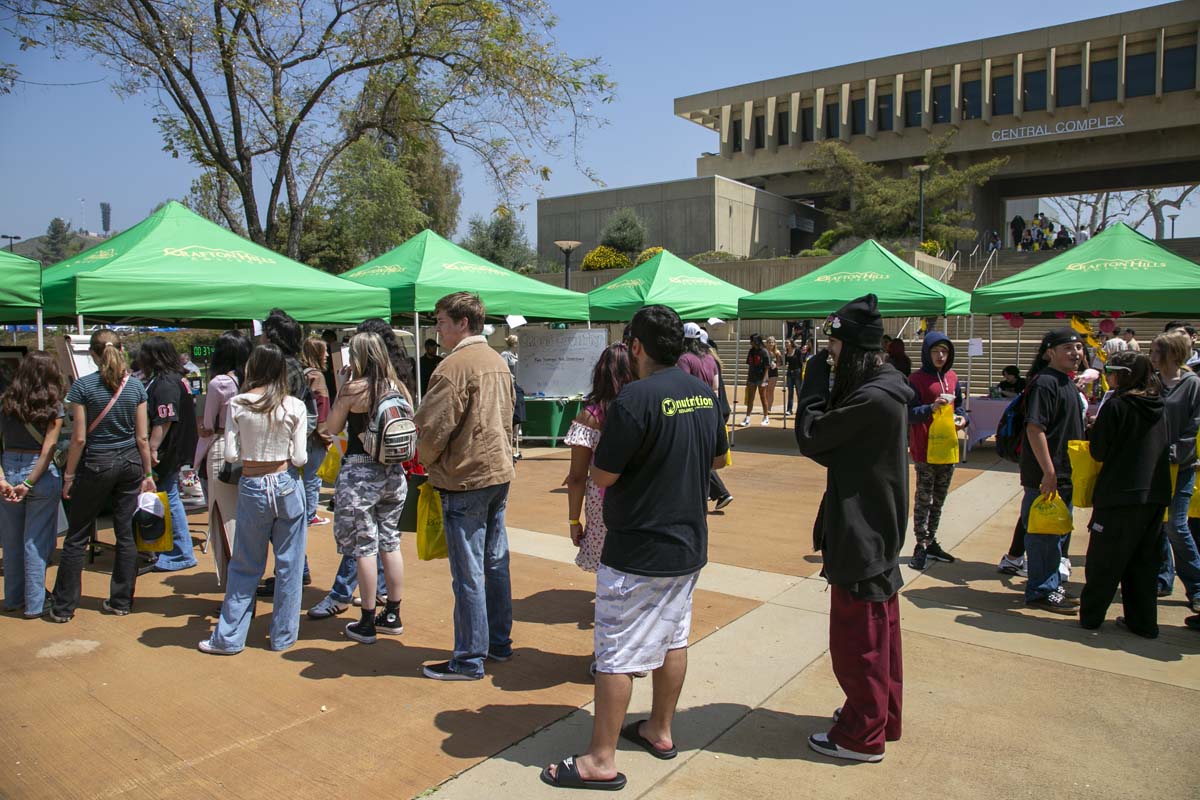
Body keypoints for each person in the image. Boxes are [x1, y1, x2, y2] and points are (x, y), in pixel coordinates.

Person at [540, 305, 727, 790]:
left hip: (637, 548)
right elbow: (721, 456)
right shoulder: (703, 394)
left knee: (616, 654)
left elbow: (601, 475)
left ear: (637, 346)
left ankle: (600, 760)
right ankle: (659, 729)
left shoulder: (634, 400)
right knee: (674, 639)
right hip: (688, 545)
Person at [794, 294, 913, 763]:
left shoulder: (873, 397)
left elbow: (813, 436)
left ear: (856, 349)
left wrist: (814, 384)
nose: (831, 356)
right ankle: (882, 717)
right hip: (876, 527)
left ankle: (862, 735)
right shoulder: (886, 387)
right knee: (881, 636)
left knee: (857, 642)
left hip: (862, 531)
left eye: (835, 348)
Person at [415, 292, 516, 680]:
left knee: (470, 570)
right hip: (496, 472)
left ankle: (470, 657)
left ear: (462, 323)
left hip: (466, 476)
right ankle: (498, 643)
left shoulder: (452, 368)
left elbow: (432, 429)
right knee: (494, 562)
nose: (437, 329)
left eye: (441, 322)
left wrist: (425, 459)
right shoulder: (495, 361)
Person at [199, 344, 309, 655]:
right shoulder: (294, 406)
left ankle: (229, 638)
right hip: (287, 483)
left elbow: (231, 454)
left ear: (253, 367)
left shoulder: (238, 404)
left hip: (253, 484)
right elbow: (300, 458)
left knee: (245, 565)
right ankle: (283, 637)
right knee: (290, 564)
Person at [307, 317, 412, 620]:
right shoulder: (398, 387)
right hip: (393, 474)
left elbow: (332, 427)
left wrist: (343, 387)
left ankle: (366, 619)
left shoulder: (354, 389)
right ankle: (392, 613)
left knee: (365, 548)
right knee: (390, 542)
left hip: (360, 474)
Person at [51, 330, 156, 621]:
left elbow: (79, 439)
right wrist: (148, 473)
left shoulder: (82, 387)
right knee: (126, 534)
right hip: (131, 464)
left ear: (93, 355)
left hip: (97, 463)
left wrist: (69, 476)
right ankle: (121, 601)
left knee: (76, 536)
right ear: (121, 350)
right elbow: (142, 437)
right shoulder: (136, 387)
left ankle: (63, 607)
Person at [1079, 351, 1172, 637]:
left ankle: (1091, 617)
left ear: (1123, 374)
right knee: (1144, 562)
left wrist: (1094, 430)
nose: (1108, 376)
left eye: (1111, 371)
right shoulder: (1160, 404)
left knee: (1104, 561)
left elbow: (1099, 450)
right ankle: (1143, 622)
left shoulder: (1118, 405)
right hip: (1154, 495)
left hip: (1118, 494)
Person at [563, 343, 635, 664]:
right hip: (638, 502)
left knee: (608, 577)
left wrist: (573, 521)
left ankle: (608, 653)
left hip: (601, 505)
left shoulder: (590, 417)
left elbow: (577, 476)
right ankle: (634, 645)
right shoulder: (640, 408)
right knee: (634, 576)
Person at [1019, 328, 1085, 613]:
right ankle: (1041, 591)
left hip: (1064, 473)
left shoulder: (1066, 382)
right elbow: (1035, 429)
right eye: (1069, 348)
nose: (1076, 353)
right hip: (1047, 476)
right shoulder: (1045, 383)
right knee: (1043, 535)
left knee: (1056, 533)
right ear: (1050, 352)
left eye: (1080, 348)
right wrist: (1048, 472)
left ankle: (1051, 583)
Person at [0, 351, 67, 617]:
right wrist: (29, 482)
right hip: (37, 473)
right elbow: (49, 448)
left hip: (9, 467)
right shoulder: (55, 405)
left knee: (12, 541)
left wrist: (3, 478)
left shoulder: (5, 402)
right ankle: (35, 603)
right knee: (35, 542)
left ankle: (13, 598)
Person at [256, 308, 314, 594]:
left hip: (278, 457)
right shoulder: (292, 365)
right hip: (288, 455)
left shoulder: (283, 368)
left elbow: (280, 412)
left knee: (279, 525)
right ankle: (295, 572)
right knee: (286, 525)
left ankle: (291, 576)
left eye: (264, 331)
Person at [194, 330, 251, 586]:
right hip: (249, 451)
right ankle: (246, 578)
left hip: (220, 450)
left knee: (223, 519)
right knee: (245, 519)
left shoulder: (220, 383)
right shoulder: (252, 381)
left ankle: (233, 584)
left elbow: (207, 425)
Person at [906, 334, 965, 570]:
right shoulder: (916, 380)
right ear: (926, 353)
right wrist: (931, 407)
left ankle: (931, 540)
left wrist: (963, 419)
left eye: (945, 351)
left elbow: (959, 405)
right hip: (925, 449)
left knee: (939, 498)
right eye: (936, 351)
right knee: (924, 498)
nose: (941, 356)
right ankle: (920, 544)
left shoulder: (952, 377)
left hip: (947, 447)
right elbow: (909, 413)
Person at [141, 337, 199, 573]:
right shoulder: (176, 378)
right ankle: (176, 550)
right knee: (170, 496)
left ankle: (181, 552)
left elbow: (164, 420)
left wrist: (152, 447)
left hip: (169, 450)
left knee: (170, 497)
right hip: (176, 448)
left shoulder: (165, 382)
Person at [1152, 329, 1200, 610]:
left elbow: (1194, 426)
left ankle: (1196, 585)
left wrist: (1174, 453)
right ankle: (1162, 577)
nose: (1153, 356)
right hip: (1154, 465)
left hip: (1181, 465)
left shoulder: (1192, 383)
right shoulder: (1153, 381)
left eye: (1158, 351)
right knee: (1158, 524)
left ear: (1172, 353)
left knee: (1176, 525)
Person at [678, 323, 731, 510]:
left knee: (694, 458)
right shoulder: (710, 359)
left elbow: (683, 386)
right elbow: (716, 387)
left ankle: (716, 492)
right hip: (710, 411)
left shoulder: (684, 359)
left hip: (692, 412)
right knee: (704, 457)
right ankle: (715, 493)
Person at [300, 336, 332, 528]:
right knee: (313, 476)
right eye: (324, 351)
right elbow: (322, 408)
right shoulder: (317, 376)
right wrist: (326, 437)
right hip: (314, 437)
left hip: (299, 433)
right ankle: (310, 513)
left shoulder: (299, 373)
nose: (327, 355)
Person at [740, 333, 769, 427]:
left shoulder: (764, 352)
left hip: (761, 377)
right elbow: (750, 365)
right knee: (750, 398)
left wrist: (764, 380)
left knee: (763, 397)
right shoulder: (751, 351)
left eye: (751, 341)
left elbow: (767, 367)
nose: (750, 342)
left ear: (756, 341)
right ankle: (747, 417)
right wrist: (748, 378)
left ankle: (766, 417)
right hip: (752, 377)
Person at [785, 339, 806, 416]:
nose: (786, 344)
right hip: (790, 372)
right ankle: (789, 410)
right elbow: (785, 363)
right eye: (785, 343)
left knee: (799, 392)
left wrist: (802, 372)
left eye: (787, 342)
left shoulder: (797, 350)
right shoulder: (786, 352)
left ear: (791, 343)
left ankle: (801, 409)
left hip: (797, 372)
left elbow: (801, 362)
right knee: (790, 392)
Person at [764, 336, 782, 422]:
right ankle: (765, 406)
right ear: (766, 343)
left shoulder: (777, 352)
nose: (771, 344)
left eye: (772, 342)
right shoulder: (764, 352)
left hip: (773, 373)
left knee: (771, 390)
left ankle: (769, 408)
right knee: (765, 391)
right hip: (765, 372)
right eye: (769, 342)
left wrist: (776, 365)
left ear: (775, 343)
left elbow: (780, 363)